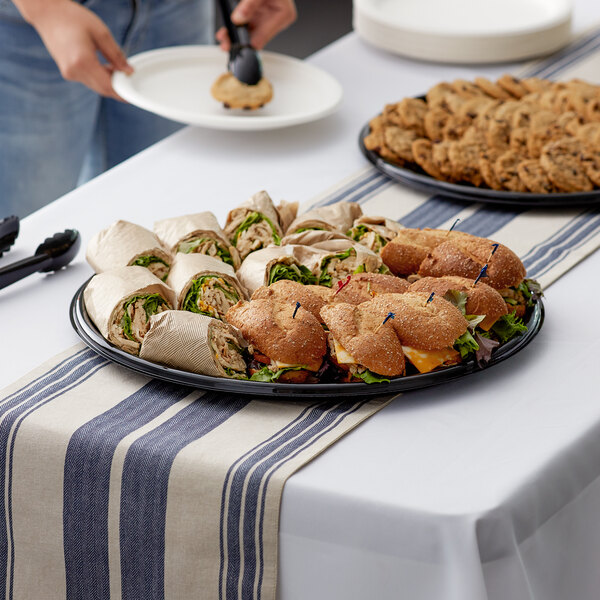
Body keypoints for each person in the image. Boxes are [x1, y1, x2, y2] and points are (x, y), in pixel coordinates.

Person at [0, 0, 297, 218]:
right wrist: (43, 7)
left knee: (165, 203)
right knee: (27, 226)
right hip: (33, 22)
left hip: (175, 11)